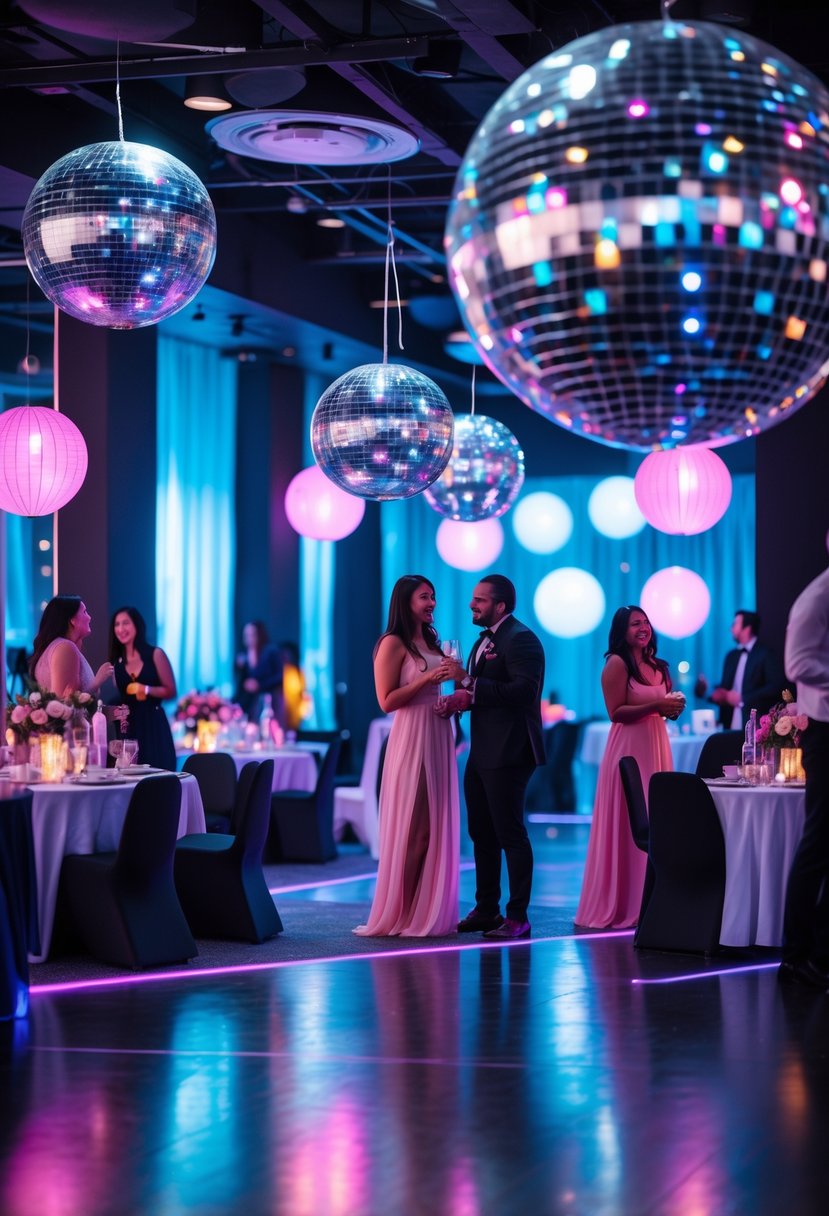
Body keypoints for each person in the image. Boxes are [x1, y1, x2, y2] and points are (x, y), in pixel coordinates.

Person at [437, 574, 545, 940]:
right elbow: (482, 694)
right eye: (473, 599)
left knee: (510, 833)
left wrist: (467, 682)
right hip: (483, 749)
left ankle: (518, 916)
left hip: (511, 750)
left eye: (480, 600)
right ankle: (487, 909)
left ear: (500, 605)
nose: (472, 604)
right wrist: (461, 699)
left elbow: (524, 692)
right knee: (481, 831)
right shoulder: (484, 640)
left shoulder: (522, 639)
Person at [355, 574, 459, 937]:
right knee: (416, 831)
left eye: (433, 597)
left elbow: (445, 684)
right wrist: (426, 682)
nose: (431, 604)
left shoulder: (430, 640)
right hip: (412, 735)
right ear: (406, 602)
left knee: (434, 829)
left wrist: (456, 686)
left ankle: (424, 910)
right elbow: (386, 701)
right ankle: (401, 913)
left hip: (438, 733)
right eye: (424, 598)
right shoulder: (392, 643)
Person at [575, 605, 685, 930]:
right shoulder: (617, 663)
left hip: (656, 741)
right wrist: (657, 705)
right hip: (628, 746)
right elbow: (616, 712)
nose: (643, 627)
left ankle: (653, 898)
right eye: (635, 623)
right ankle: (622, 902)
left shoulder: (659, 666)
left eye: (646, 622)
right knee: (628, 818)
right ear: (622, 630)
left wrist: (671, 709)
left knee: (656, 815)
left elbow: (663, 709)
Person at [778, 566, 829, 990]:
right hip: (825, 732)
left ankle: (820, 949)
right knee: (818, 841)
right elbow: (797, 662)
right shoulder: (817, 596)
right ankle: (795, 956)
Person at [108, 606, 177, 771]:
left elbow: (171, 691)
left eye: (126, 623)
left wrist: (145, 689)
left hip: (153, 724)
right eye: (117, 624)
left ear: (137, 626)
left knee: (159, 773)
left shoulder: (155, 654)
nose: (121, 629)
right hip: (129, 729)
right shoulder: (116, 664)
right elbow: (121, 699)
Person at [695, 609, 787, 730]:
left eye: (735, 624)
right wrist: (709, 692)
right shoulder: (731, 656)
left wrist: (743, 699)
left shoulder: (766, 654)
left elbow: (775, 687)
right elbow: (726, 690)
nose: (731, 629)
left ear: (747, 628)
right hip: (730, 724)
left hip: (757, 725)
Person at [29, 595, 113, 697]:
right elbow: (64, 703)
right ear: (72, 620)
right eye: (84, 612)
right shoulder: (65, 647)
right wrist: (96, 682)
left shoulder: (60, 646)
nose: (89, 618)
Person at [234, 621, 283, 721]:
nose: (249, 638)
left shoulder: (270, 652)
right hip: (249, 702)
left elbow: (280, 676)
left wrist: (259, 685)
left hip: (269, 700)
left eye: (252, 634)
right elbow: (241, 683)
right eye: (246, 635)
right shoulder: (243, 656)